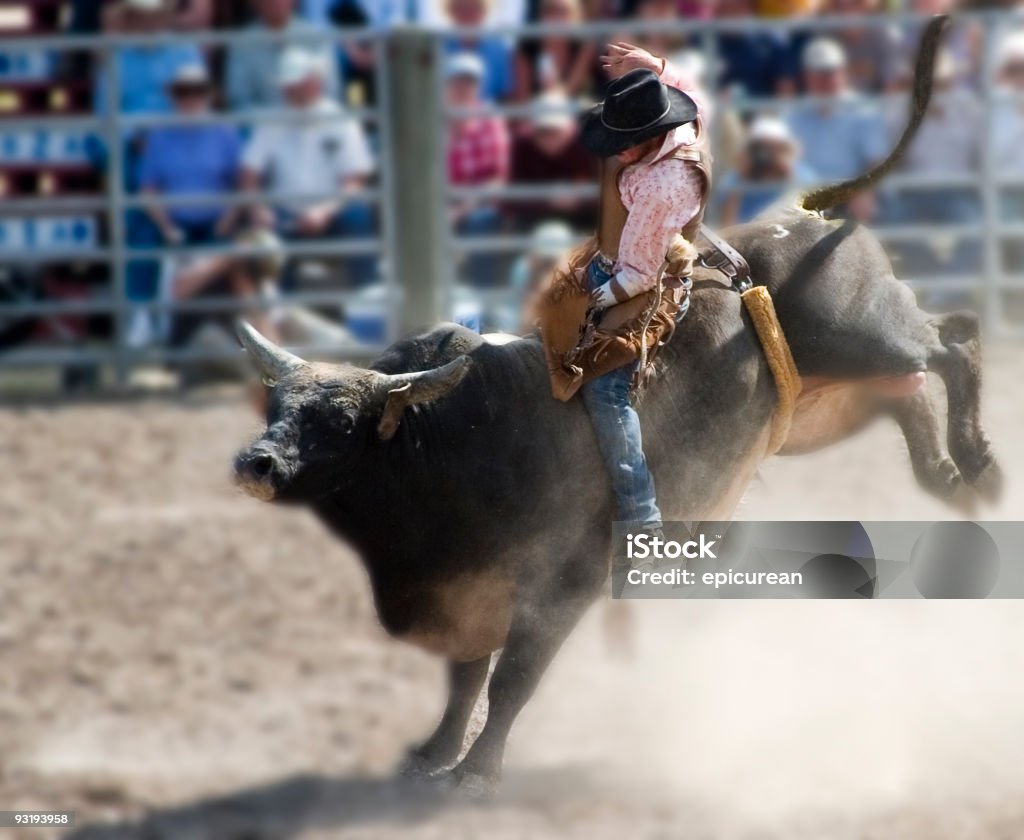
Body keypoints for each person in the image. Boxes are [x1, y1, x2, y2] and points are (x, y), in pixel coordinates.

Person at [551, 41, 711, 553]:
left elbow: (640, 273)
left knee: (605, 391)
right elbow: (694, 95)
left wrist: (589, 301)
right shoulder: (683, 124)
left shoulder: (664, 185)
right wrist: (658, 68)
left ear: (652, 136)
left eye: (625, 141)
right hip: (626, 254)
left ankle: (642, 519)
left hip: (648, 280)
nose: (617, 150)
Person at [237, 48, 377, 286]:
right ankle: (277, 311)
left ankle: (365, 297)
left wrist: (324, 211)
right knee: (264, 235)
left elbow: (355, 180)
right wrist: (259, 208)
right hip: (284, 215)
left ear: (313, 82)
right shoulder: (271, 121)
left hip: (333, 214)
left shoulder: (340, 120)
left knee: (358, 215)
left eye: (295, 84)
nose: (289, 90)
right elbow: (248, 174)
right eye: (287, 85)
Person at [137, 64, 242, 247]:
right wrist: (167, 228)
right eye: (183, 92)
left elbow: (240, 184)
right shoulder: (159, 134)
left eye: (198, 91)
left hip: (218, 225)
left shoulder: (226, 131)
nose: (191, 98)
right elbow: (148, 189)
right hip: (173, 226)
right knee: (142, 238)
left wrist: (226, 222)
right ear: (173, 97)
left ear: (209, 95)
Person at [446, 53, 511, 286]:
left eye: (469, 82)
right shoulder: (430, 121)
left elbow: (498, 179)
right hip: (439, 205)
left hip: (478, 205)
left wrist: (459, 211)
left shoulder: (489, 119)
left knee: (481, 222)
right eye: (456, 82)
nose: (462, 88)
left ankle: (483, 299)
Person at [786, 37, 888, 181]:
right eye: (819, 74)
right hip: (803, 193)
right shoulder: (792, 114)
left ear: (843, 73)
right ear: (807, 77)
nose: (826, 80)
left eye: (831, 73)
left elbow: (875, 159)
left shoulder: (865, 111)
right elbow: (786, 160)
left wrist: (863, 191)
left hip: (850, 192)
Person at [225, 0, 341, 111]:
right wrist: (275, 119)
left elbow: (331, 92)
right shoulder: (243, 43)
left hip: (316, 123)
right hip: (265, 126)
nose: (275, 1)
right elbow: (240, 101)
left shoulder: (315, 37)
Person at [508, 91, 597, 230]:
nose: (548, 138)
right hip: (534, 220)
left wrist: (578, 199)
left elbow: (600, 192)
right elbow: (511, 197)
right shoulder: (522, 146)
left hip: (580, 219)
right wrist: (548, 201)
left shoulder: (586, 144)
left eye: (554, 131)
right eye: (542, 131)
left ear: (569, 128)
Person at [718, 116, 815, 225]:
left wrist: (788, 173)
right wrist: (742, 179)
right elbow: (726, 226)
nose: (767, 155)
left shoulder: (803, 175)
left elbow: (808, 218)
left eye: (775, 148)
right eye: (762, 148)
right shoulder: (734, 179)